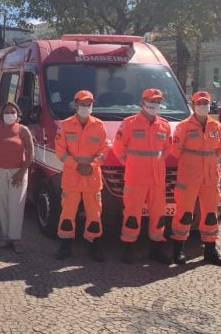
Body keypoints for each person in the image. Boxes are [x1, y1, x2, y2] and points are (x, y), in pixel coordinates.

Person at [112, 88, 172, 264]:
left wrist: (157, 162)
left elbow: (167, 149)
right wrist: (129, 164)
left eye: (157, 102)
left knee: (158, 214)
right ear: (143, 103)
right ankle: (129, 249)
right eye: (151, 101)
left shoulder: (164, 125)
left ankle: (156, 249)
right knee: (132, 213)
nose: (154, 105)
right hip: (136, 177)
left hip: (156, 179)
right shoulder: (129, 123)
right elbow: (118, 147)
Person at [171, 91, 221, 266]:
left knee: (210, 214)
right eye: (200, 103)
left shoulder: (216, 126)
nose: (203, 105)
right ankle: (178, 250)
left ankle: (210, 250)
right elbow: (175, 151)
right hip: (189, 177)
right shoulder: (184, 126)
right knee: (185, 214)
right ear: (193, 104)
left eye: (206, 102)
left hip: (210, 178)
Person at [54, 90, 109, 262]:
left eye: (89, 104)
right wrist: (76, 165)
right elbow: (60, 151)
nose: (86, 107)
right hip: (72, 178)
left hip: (92, 179)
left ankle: (94, 246)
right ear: (75, 104)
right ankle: (65, 246)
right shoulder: (65, 125)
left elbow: (104, 150)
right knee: (67, 213)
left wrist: (92, 166)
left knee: (94, 214)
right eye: (82, 104)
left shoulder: (99, 125)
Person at [0, 102, 34, 254]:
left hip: (18, 173)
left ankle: (16, 239)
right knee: (4, 205)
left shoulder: (23, 130)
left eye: (12, 111)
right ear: (1, 115)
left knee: (16, 205)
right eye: (6, 112)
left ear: (17, 114)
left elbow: (30, 154)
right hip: (0, 171)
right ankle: (6, 236)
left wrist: (21, 173)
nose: (9, 114)